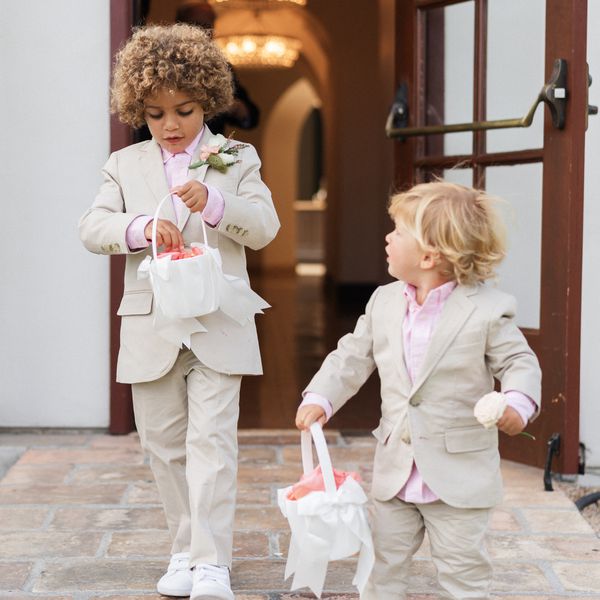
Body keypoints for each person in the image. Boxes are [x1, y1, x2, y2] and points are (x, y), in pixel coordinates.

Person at [79, 23, 279, 600]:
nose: (170, 125)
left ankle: (213, 562)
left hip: (220, 319)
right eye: (155, 113)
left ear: (208, 101)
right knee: (162, 444)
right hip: (152, 324)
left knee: (212, 442)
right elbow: (92, 228)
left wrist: (216, 203)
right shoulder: (123, 164)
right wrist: (140, 227)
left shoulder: (236, 156)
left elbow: (264, 228)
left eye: (185, 111)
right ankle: (185, 551)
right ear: (136, 108)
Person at [295, 181, 541, 600]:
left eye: (398, 231)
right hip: (397, 473)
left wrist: (516, 403)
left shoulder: (486, 310)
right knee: (381, 568)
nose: (388, 238)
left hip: (459, 479)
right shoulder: (383, 301)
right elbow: (351, 356)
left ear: (430, 255)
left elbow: (520, 363)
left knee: (463, 572)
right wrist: (320, 396)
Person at [176, 0, 260, 135]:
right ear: (179, 25)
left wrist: (236, 107)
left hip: (208, 150)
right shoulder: (162, 61)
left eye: (207, 26)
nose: (202, 32)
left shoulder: (221, 66)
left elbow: (251, 115)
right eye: (196, 25)